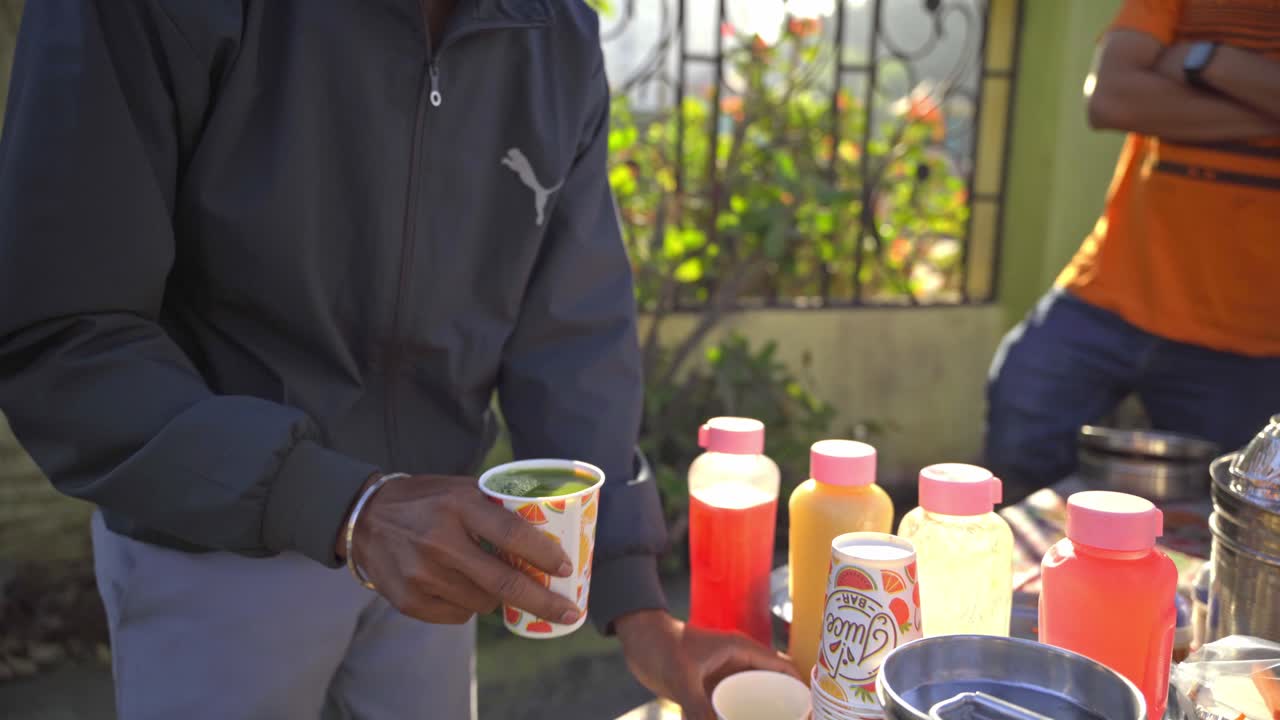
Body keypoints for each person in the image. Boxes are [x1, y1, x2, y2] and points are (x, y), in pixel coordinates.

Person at [0, 1, 793, 718]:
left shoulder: (553, 32)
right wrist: (348, 507)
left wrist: (635, 603)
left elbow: (571, 336)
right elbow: (66, 329)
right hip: (213, 551)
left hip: (438, 569)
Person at [985, 0, 1280, 500]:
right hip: (1109, 293)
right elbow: (1112, 100)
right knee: (1019, 436)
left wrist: (1204, 60)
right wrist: (1264, 105)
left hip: (1247, 339)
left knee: (1225, 507)